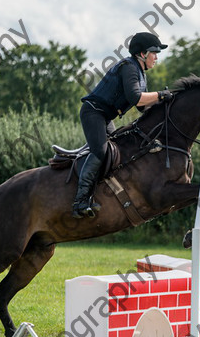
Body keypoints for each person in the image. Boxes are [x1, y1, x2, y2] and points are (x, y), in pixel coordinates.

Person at [72, 32, 171, 219]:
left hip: (105, 117)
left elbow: (142, 107)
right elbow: (136, 98)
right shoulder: (129, 68)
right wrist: (160, 95)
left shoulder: (140, 72)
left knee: (116, 150)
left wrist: (165, 103)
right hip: (93, 112)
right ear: (142, 54)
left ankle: (102, 195)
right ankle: (80, 200)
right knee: (100, 151)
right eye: (154, 53)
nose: (156, 57)